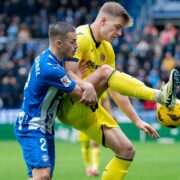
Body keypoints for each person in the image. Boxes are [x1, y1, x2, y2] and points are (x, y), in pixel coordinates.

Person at [57, 2, 180, 180]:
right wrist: (87, 83)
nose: (119, 33)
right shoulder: (80, 36)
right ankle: (160, 96)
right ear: (104, 20)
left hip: (90, 108)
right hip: (69, 102)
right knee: (106, 71)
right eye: (117, 27)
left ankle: (161, 96)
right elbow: (67, 74)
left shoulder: (107, 49)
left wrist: (136, 120)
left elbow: (115, 87)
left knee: (127, 150)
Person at [14, 22, 97, 180]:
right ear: (59, 43)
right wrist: (88, 83)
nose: (77, 46)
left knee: (42, 176)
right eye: (73, 42)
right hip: (32, 125)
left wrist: (77, 76)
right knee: (43, 175)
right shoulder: (51, 68)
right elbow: (80, 95)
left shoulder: (50, 58)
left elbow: (67, 76)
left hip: (45, 127)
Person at [78, 91, 112, 176]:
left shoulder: (101, 88)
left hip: (96, 120)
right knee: (85, 145)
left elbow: (106, 102)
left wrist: (110, 117)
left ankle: (95, 168)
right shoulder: (81, 85)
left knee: (95, 144)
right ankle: (88, 167)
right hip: (82, 120)